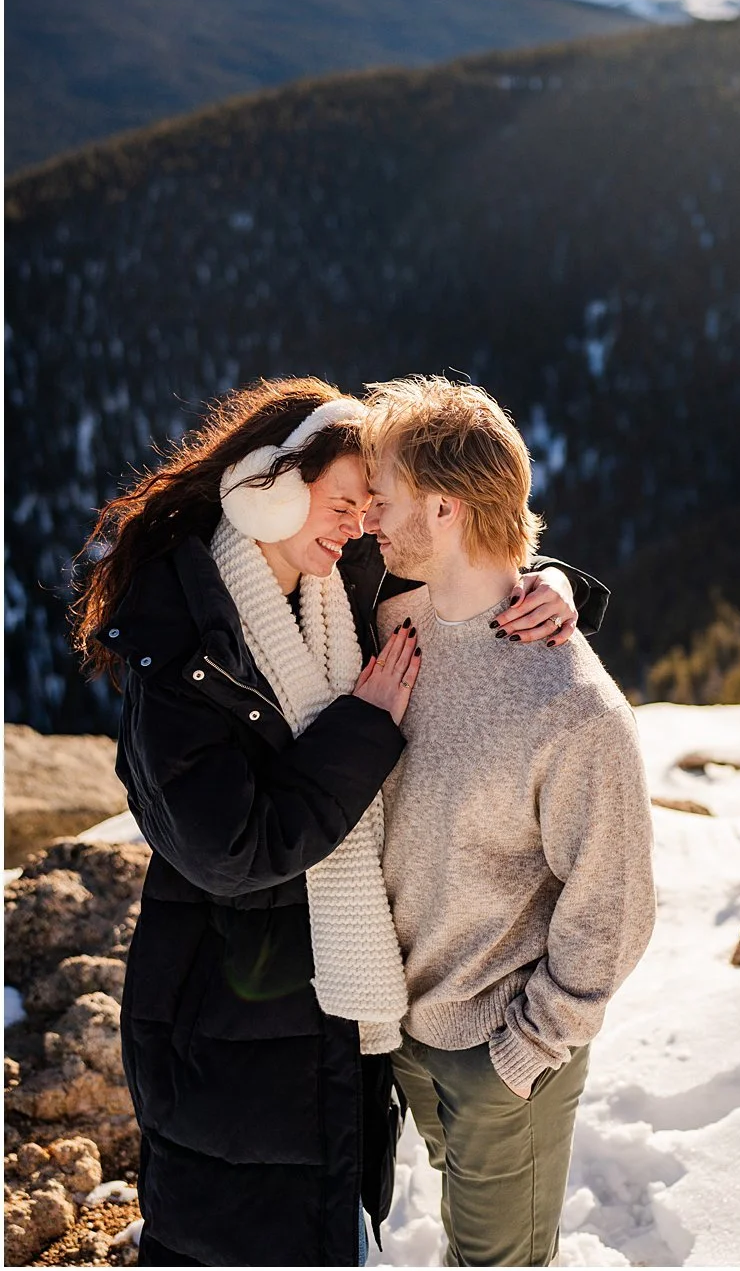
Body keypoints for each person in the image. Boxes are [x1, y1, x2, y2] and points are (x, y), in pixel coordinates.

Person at [72, 376, 605, 1267]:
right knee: (227, 1239)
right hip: (227, 1025)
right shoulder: (180, 646)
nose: (362, 522)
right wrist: (362, 730)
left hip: (332, 1013)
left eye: (370, 503)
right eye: (343, 499)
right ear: (268, 486)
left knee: (336, 1231)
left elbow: (466, 559)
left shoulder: (339, 582)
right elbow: (235, 850)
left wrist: (552, 587)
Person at [360, 376, 655, 1268]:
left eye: (386, 495)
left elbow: (615, 906)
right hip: (405, 1030)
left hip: (499, 1054)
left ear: (444, 506)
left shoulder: (573, 707)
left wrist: (524, 1052)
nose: (369, 514)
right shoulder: (393, 617)